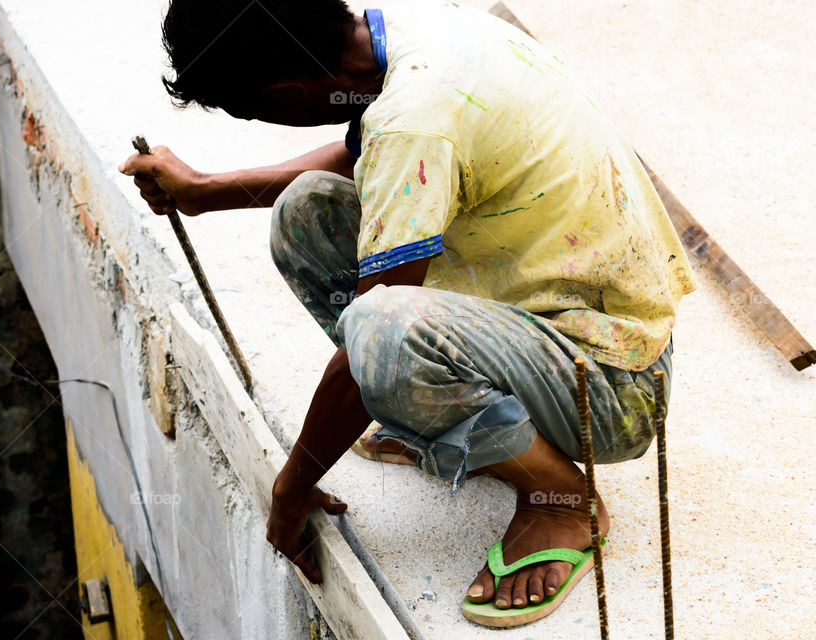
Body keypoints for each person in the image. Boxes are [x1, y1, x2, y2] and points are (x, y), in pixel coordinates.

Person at [119, 0, 696, 627]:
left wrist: (289, 488)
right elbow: (365, 157)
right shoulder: (410, 37)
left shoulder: (416, 116)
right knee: (305, 213)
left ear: (286, 93)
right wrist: (206, 191)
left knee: (381, 332)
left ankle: (559, 500)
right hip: (537, 311)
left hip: (611, 385)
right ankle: (445, 415)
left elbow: (377, 326)